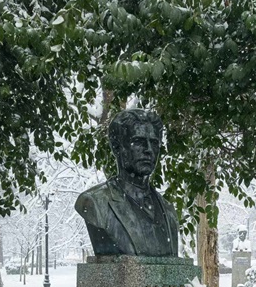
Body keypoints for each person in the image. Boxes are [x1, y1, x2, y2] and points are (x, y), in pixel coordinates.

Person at [75, 109, 179, 257]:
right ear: (117, 147)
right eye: (138, 142)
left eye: (154, 143)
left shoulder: (168, 211)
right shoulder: (95, 202)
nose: (149, 150)